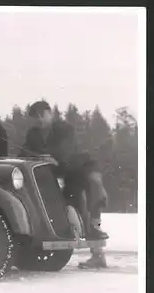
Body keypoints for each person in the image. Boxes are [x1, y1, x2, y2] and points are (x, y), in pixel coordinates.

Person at [19, 100, 108, 268]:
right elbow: (23, 151)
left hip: (83, 168)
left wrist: (48, 156)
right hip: (68, 176)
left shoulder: (65, 129)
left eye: (42, 115)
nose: (39, 119)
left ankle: (98, 248)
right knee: (76, 209)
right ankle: (98, 255)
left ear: (50, 113)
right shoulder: (33, 134)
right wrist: (43, 157)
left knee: (95, 193)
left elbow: (65, 151)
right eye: (35, 117)